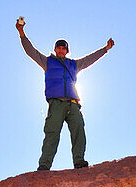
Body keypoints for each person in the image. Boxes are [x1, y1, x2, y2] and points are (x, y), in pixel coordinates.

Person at [16, 18, 114, 170]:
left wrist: (105, 49)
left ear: (67, 51)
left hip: (73, 104)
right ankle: (44, 166)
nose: (61, 50)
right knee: (52, 133)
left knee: (79, 132)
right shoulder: (47, 62)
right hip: (56, 104)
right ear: (55, 50)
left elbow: (89, 59)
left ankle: (79, 162)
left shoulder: (73, 65)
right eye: (59, 48)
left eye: (64, 48)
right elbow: (31, 51)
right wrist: (21, 32)